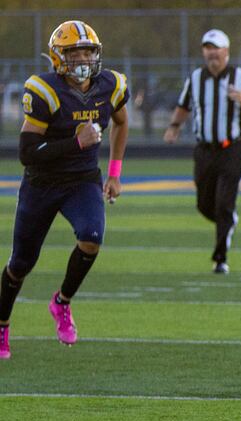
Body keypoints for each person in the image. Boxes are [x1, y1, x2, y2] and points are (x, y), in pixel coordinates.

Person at [0, 20, 129, 359]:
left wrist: (114, 173)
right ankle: (1, 325)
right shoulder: (45, 91)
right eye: (75, 52)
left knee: (92, 237)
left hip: (82, 180)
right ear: (59, 57)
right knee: (21, 264)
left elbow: (122, 121)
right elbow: (27, 155)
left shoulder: (110, 86)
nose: (84, 57)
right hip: (41, 184)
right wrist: (75, 142)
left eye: (88, 50)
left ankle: (61, 303)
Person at [164, 29, 241, 274]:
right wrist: (174, 126)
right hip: (204, 149)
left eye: (216, 48)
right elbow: (183, 106)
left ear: (226, 51)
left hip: (232, 148)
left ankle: (220, 257)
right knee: (204, 204)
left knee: (224, 202)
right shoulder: (195, 79)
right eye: (207, 48)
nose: (212, 52)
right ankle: (227, 221)